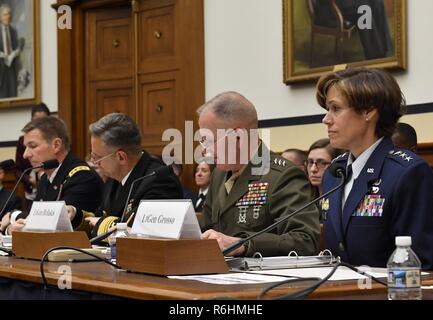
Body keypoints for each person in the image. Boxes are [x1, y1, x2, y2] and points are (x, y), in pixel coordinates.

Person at [317, 67, 433, 269]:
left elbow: (422, 265)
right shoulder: (334, 173)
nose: (326, 119)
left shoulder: (406, 173)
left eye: (336, 108)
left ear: (369, 111)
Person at [198, 91, 320, 257]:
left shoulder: (282, 175)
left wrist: (242, 245)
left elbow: (304, 240)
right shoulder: (219, 174)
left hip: (267, 280)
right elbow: (206, 230)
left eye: (211, 140)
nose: (205, 149)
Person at [85, 113, 183, 241]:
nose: (94, 163)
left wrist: (100, 225)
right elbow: (99, 216)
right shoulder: (113, 178)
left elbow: (139, 233)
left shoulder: (160, 180)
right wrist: (76, 216)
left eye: (97, 158)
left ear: (121, 157)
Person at [1, 116, 104, 235]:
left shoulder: (82, 176)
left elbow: (51, 223)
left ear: (56, 145)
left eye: (33, 146)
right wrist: (11, 227)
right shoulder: (46, 178)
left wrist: (13, 215)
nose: (25, 155)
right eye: (25, 147)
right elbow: (32, 214)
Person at [313, 0, 393, 60]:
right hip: (329, 7)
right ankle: (374, 55)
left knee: (377, 2)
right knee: (364, 9)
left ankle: (384, 48)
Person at [15, 103, 50, 210]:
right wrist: (29, 180)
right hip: (30, 191)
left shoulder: (53, 140)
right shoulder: (23, 140)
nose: (39, 124)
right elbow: (17, 169)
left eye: (42, 120)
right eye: (36, 120)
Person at [306, 138, 343, 221]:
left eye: (322, 163)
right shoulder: (304, 199)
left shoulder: (342, 200)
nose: (313, 169)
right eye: (310, 162)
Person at [0, 4, 23, 98]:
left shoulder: (13, 30)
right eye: (5, 14)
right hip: (1, 66)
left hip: (12, 66)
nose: (8, 17)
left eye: (9, 14)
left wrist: (13, 53)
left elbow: (17, 46)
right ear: (0, 17)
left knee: (13, 91)